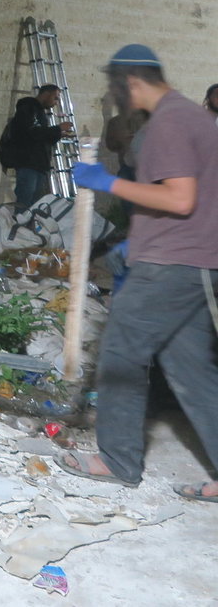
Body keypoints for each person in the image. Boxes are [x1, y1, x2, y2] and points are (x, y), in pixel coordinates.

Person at [64, 44, 218, 502]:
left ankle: (118, 459)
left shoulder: (169, 123)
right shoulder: (197, 118)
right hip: (197, 263)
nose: (117, 96)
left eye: (117, 86)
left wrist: (105, 182)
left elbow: (179, 199)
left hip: (168, 266)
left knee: (120, 358)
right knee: (191, 373)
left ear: (132, 81)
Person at [0, 84, 73, 208]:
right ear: (46, 94)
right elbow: (32, 132)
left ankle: (29, 226)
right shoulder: (28, 108)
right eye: (55, 98)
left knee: (35, 206)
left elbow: (40, 137)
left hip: (38, 166)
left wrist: (59, 134)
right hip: (28, 164)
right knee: (25, 204)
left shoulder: (39, 112)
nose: (56, 103)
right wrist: (58, 128)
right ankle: (20, 226)